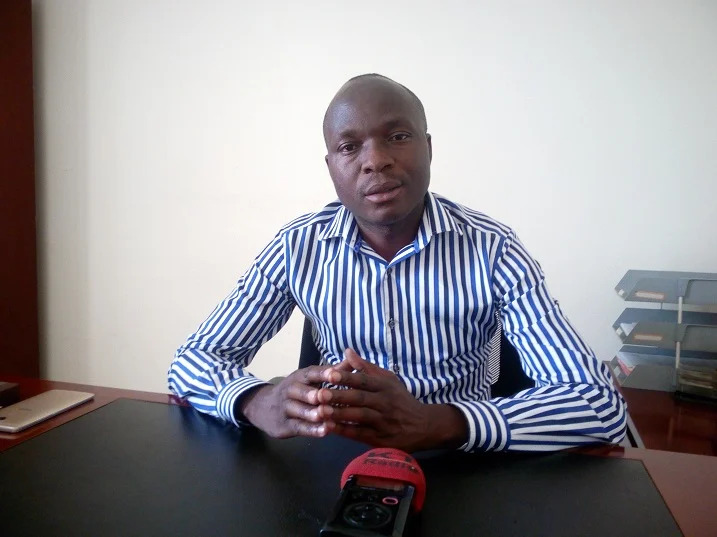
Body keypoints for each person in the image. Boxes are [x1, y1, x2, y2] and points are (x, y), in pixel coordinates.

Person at [168, 74, 626, 453]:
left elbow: (598, 405)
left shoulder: (493, 250)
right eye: (350, 147)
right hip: (336, 457)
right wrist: (254, 399)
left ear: (428, 147)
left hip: (457, 457)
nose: (376, 161)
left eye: (398, 137)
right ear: (331, 167)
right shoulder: (298, 246)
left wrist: (436, 422)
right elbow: (193, 361)